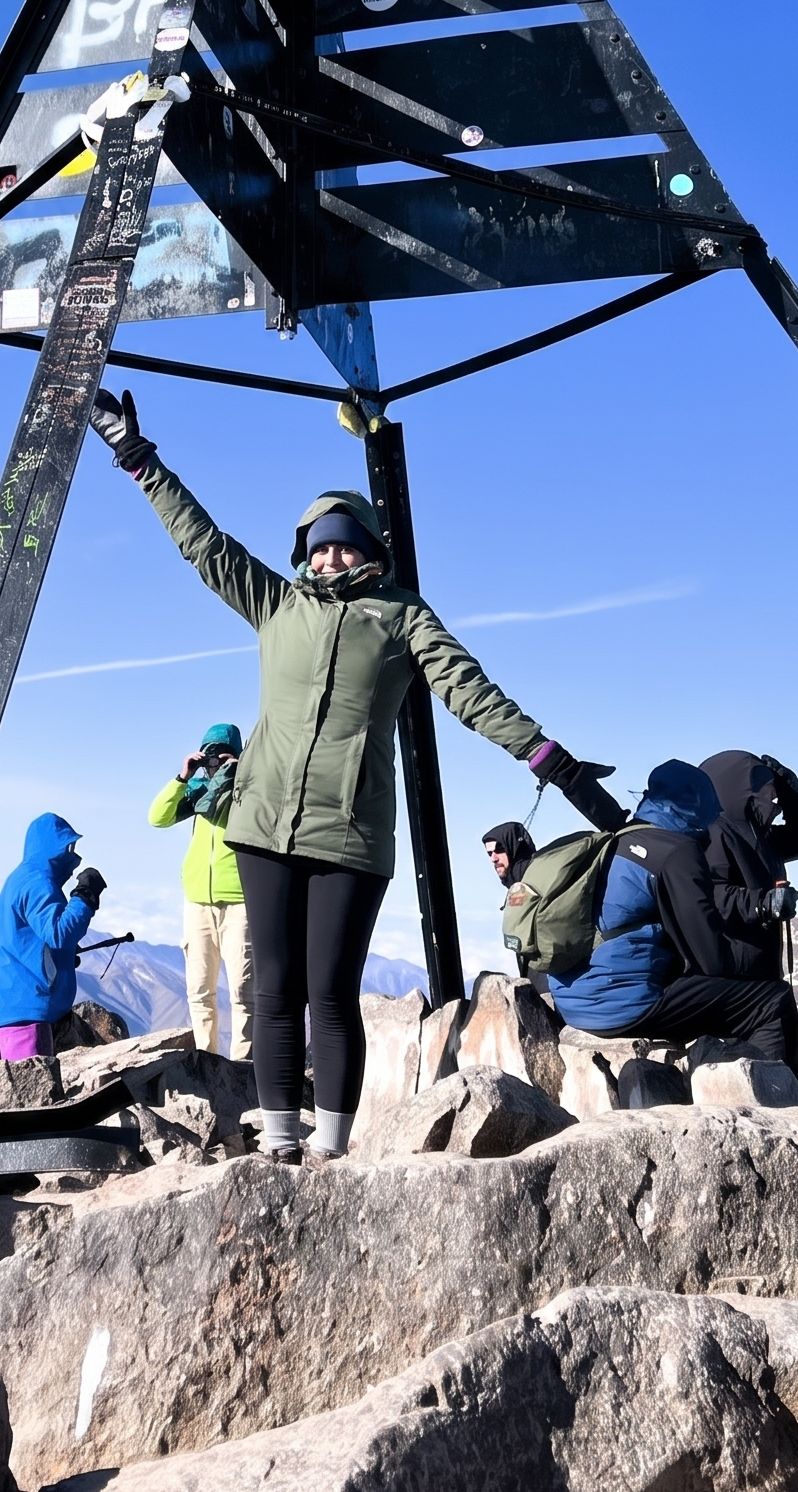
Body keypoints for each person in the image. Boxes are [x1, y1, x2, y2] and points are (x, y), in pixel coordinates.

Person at [88, 385, 616, 1163]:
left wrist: (548, 758)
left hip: (351, 834)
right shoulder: (276, 603)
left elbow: (469, 692)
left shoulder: (403, 617)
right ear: (305, 552)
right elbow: (203, 543)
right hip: (262, 825)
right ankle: (278, 1143)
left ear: (371, 549)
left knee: (330, 995)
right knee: (274, 992)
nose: (332, 557)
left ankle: (332, 1149)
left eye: (347, 544)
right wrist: (136, 454)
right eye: (321, 546)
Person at [547, 758, 798, 1068]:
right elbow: (711, 958)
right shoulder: (677, 850)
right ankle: (777, 1103)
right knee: (772, 1001)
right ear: (698, 803)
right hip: (619, 1007)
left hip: (570, 999)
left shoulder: (625, 835)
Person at [149, 722, 254, 1060]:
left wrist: (239, 772)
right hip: (197, 899)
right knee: (199, 990)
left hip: (240, 900)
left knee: (244, 990)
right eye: (208, 753)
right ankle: (206, 1063)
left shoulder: (247, 787)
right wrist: (183, 776)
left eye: (221, 754)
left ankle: (243, 1068)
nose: (214, 761)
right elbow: (157, 818)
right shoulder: (195, 791)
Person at [0, 812, 106, 1061]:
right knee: (31, 1093)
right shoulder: (38, 882)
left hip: (0, 1010)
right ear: (52, 847)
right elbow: (59, 933)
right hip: (24, 1013)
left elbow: (31, 938)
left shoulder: (20, 878)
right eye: (68, 845)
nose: (72, 852)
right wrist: (85, 895)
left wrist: (62, 957)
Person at [700, 750, 798, 980]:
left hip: (760, 971)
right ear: (747, 790)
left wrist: (792, 795)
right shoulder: (712, 834)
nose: (774, 796)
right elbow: (706, 894)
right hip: (729, 978)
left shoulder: (760, 837)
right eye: (769, 788)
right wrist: (763, 904)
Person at [482, 820, 537, 890]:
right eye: (490, 853)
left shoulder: (538, 878)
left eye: (499, 850)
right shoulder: (516, 888)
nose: (493, 859)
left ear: (514, 848)